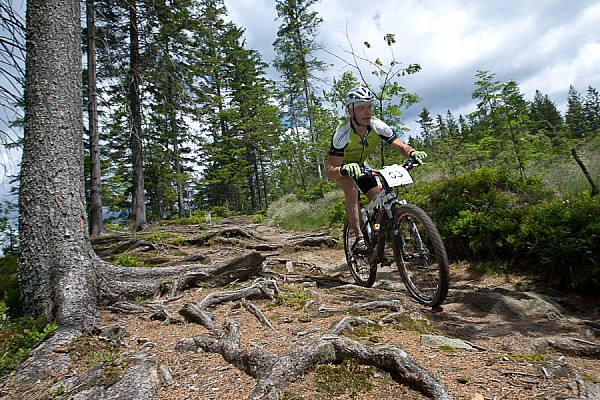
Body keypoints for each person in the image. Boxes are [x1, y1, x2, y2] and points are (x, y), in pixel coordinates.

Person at [325, 86, 427, 252]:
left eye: (369, 107)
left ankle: (377, 234)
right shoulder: (342, 134)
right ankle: (359, 238)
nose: (367, 112)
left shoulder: (378, 126)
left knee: (380, 197)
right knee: (351, 191)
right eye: (361, 108)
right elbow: (330, 170)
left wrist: (412, 152)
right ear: (350, 111)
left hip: (362, 167)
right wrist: (343, 170)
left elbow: (401, 146)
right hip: (344, 170)